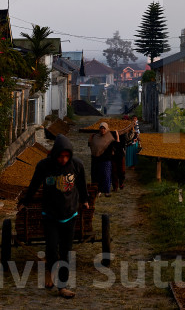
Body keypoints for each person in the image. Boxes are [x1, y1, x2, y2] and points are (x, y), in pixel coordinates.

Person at [19, 134, 90, 298]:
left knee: (66, 251)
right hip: (50, 214)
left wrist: (85, 200)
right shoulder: (44, 166)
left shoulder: (76, 165)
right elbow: (35, 183)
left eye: (66, 156)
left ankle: (62, 286)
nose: (63, 159)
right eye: (61, 156)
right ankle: (50, 270)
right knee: (51, 249)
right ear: (55, 153)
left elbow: (81, 185)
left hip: (70, 214)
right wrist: (25, 201)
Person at [88, 122, 119, 195]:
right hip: (96, 159)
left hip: (106, 160)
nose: (102, 130)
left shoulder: (110, 137)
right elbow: (91, 145)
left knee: (106, 175)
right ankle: (97, 190)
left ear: (107, 129)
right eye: (101, 128)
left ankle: (106, 191)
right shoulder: (96, 137)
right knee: (96, 175)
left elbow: (117, 146)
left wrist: (117, 136)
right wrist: (90, 138)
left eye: (104, 128)